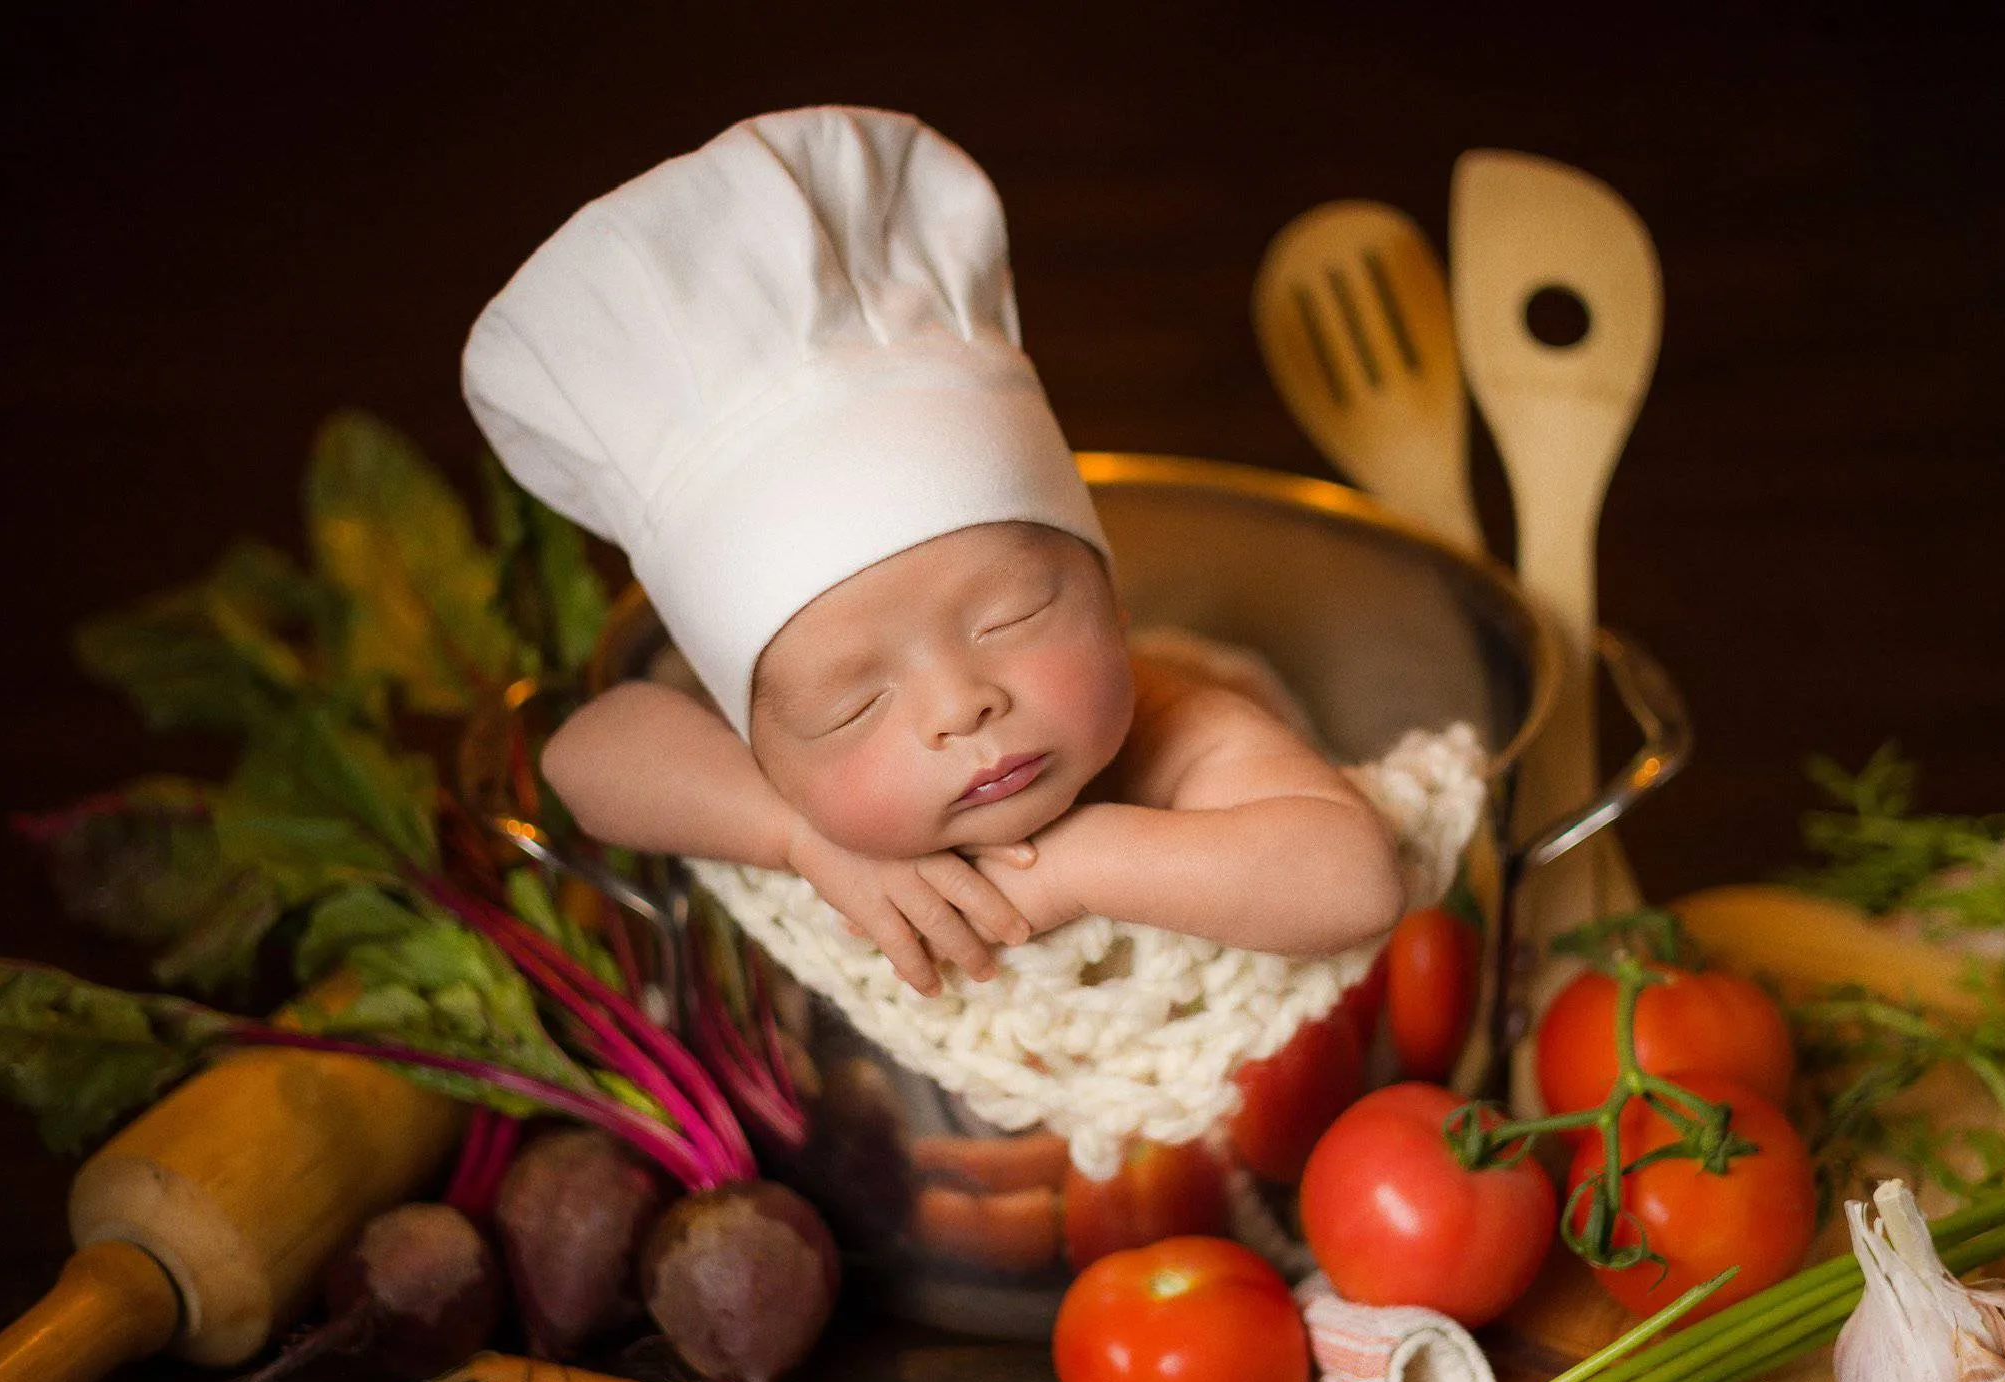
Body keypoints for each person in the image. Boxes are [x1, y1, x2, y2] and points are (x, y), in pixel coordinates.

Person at [464, 106, 1402, 998]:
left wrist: (1079, 867)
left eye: (1013, 616)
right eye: (852, 703)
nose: (962, 704)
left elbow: (1351, 880)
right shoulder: (790, 796)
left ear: (1112, 600)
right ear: (765, 749)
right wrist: (796, 838)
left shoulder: (1174, 722)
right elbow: (583, 753)